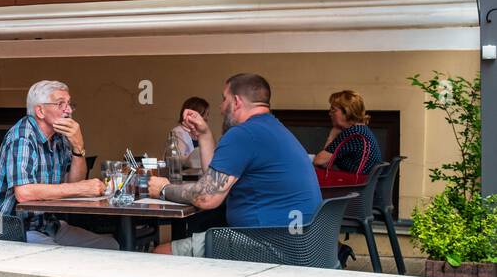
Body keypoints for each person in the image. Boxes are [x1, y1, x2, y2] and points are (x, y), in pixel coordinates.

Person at [150, 73, 322, 257]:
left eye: (224, 99)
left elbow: (206, 197)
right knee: (205, 225)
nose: (221, 107)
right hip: (302, 244)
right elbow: (214, 182)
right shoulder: (274, 129)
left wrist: (164, 188)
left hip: (268, 244)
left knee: (160, 253)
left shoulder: (243, 134)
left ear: (237, 102)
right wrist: (204, 134)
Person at [0, 80, 117, 249]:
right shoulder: (22, 136)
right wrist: (81, 188)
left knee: (111, 247)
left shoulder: (59, 137)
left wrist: (78, 147)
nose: (69, 110)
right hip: (6, 227)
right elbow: (24, 193)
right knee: (63, 258)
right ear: (40, 111)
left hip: (47, 226)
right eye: (60, 104)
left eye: (69, 104)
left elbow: (72, 184)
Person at [314, 89, 382, 176]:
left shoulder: (353, 134)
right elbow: (326, 163)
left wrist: (332, 136)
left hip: (357, 186)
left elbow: (319, 161)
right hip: (366, 185)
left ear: (347, 111)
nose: (330, 113)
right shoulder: (361, 129)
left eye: (333, 110)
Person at [171, 97, 210, 168]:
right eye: (205, 114)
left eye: (208, 114)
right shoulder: (177, 132)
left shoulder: (203, 132)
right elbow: (177, 160)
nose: (207, 118)